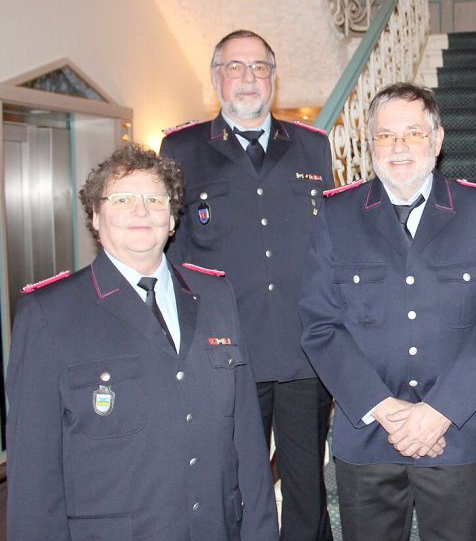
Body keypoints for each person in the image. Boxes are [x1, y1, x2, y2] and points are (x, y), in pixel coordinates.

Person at [6, 145, 278, 541]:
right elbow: (33, 474)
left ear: (171, 219)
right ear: (96, 217)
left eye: (154, 199)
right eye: (122, 199)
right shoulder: (49, 314)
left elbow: (248, 443)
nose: (140, 210)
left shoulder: (217, 295)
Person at [299, 82, 476, 541]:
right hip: (368, 435)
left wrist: (439, 410)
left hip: (454, 432)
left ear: (436, 141)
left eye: (412, 133)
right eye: (385, 135)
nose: (398, 147)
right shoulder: (336, 215)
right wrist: (386, 411)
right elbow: (320, 324)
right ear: (370, 143)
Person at [160, 30, 334, 541]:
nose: (248, 78)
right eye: (235, 67)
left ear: (274, 79)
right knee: (235, 483)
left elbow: (330, 244)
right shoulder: (181, 147)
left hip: (305, 354)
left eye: (259, 67)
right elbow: (174, 254)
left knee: (307, 489)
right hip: (226, 352)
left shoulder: (312, 146)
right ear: (216, 76)